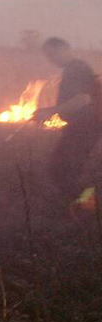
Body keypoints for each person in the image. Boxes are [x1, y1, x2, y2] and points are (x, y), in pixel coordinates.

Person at [32, 37, 102, 209]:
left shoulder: (76, 70)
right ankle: (82, 207)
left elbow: (83, 99)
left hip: (84, 128)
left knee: (61, 169)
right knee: (63, 169)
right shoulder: (74, 69)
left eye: (52, 54)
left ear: (64, 49)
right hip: (80, 128)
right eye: (48, 56)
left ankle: (87, 208)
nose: (51, 60)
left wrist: (50, 111)